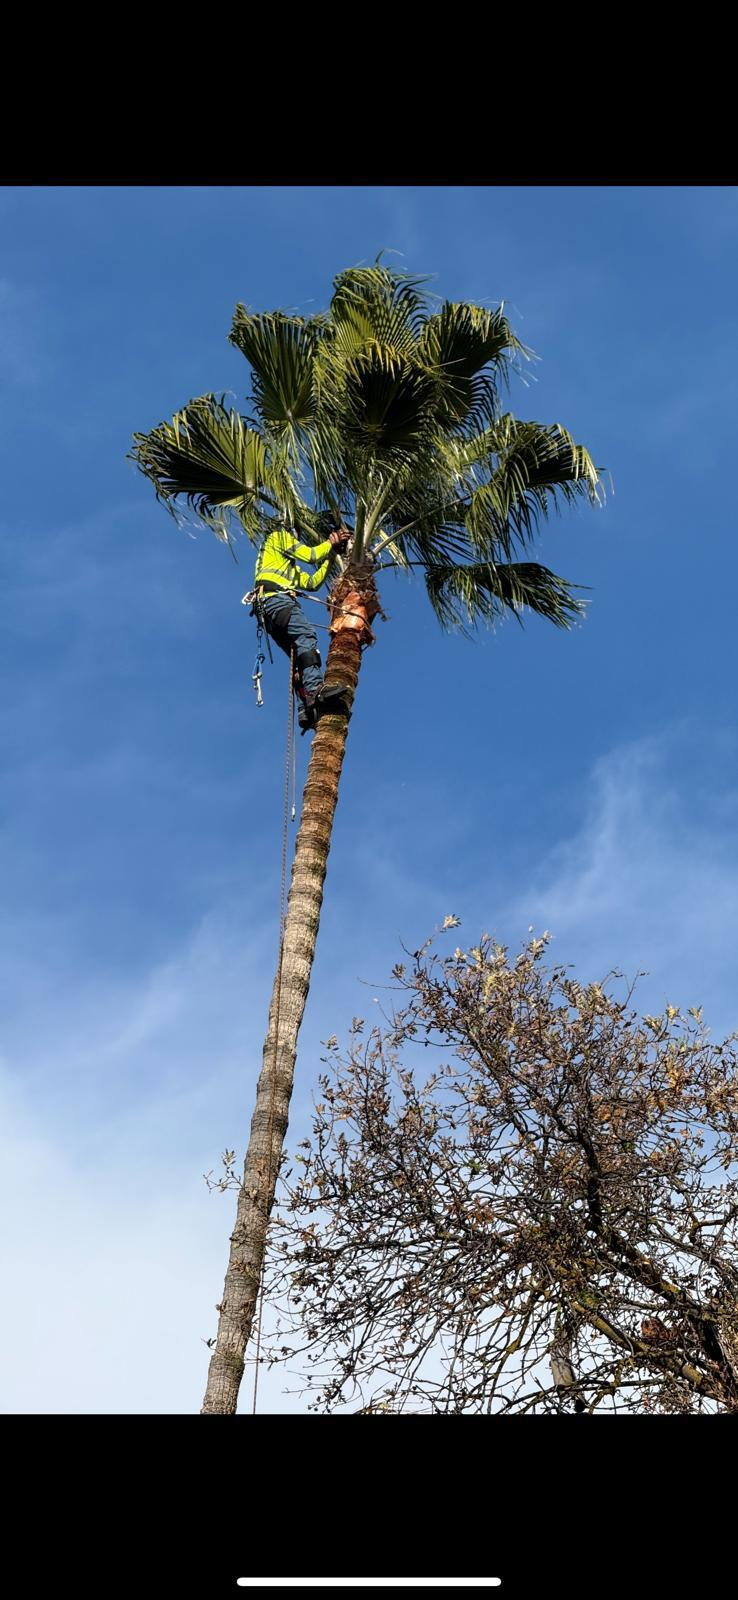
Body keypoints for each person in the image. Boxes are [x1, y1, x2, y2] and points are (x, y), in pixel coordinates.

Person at [253, 517, 351, 732]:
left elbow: (312, 583)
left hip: (269, 613)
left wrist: (332, 555)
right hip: (277, 601)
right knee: (307, 636)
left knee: (299, 657)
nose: (297, 539)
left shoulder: (284, 564)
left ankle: (306, 710)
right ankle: (316, 690)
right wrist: (331, 542)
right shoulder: (278, 537)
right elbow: (311, 555)